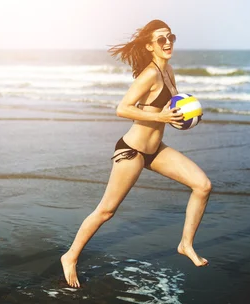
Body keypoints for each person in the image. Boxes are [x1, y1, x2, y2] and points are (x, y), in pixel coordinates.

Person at [60, 20, 211, 288]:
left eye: (170, 38)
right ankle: (70, 256)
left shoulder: (169, 70)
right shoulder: (150, 75)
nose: (167, 43)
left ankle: (185, 244)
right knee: (106, 211)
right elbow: (122, 108)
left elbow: (167, 108)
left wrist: (178, 116)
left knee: (202, 185)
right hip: (132, 151)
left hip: (155, 150)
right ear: (150, 46)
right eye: (161, 40)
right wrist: (163, 116)